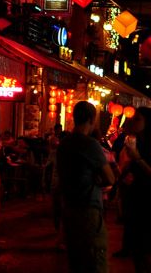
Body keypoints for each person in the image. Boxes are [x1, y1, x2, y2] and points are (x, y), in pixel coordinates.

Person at [57, 101, 115, 273]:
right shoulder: (90, 145)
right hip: (88, 208)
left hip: (69, 207)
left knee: (76, 260)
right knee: (95, 260)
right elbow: (110, 178)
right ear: (91, 119)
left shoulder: (64, 144)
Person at [120, 106, 151, 273]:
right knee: (137, 252)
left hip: (149, 205)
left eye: (138, 119)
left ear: (148, 123)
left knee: (149, 253)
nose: (133, 122)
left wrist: (138, 159)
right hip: (135, 201)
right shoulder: (137, 143)